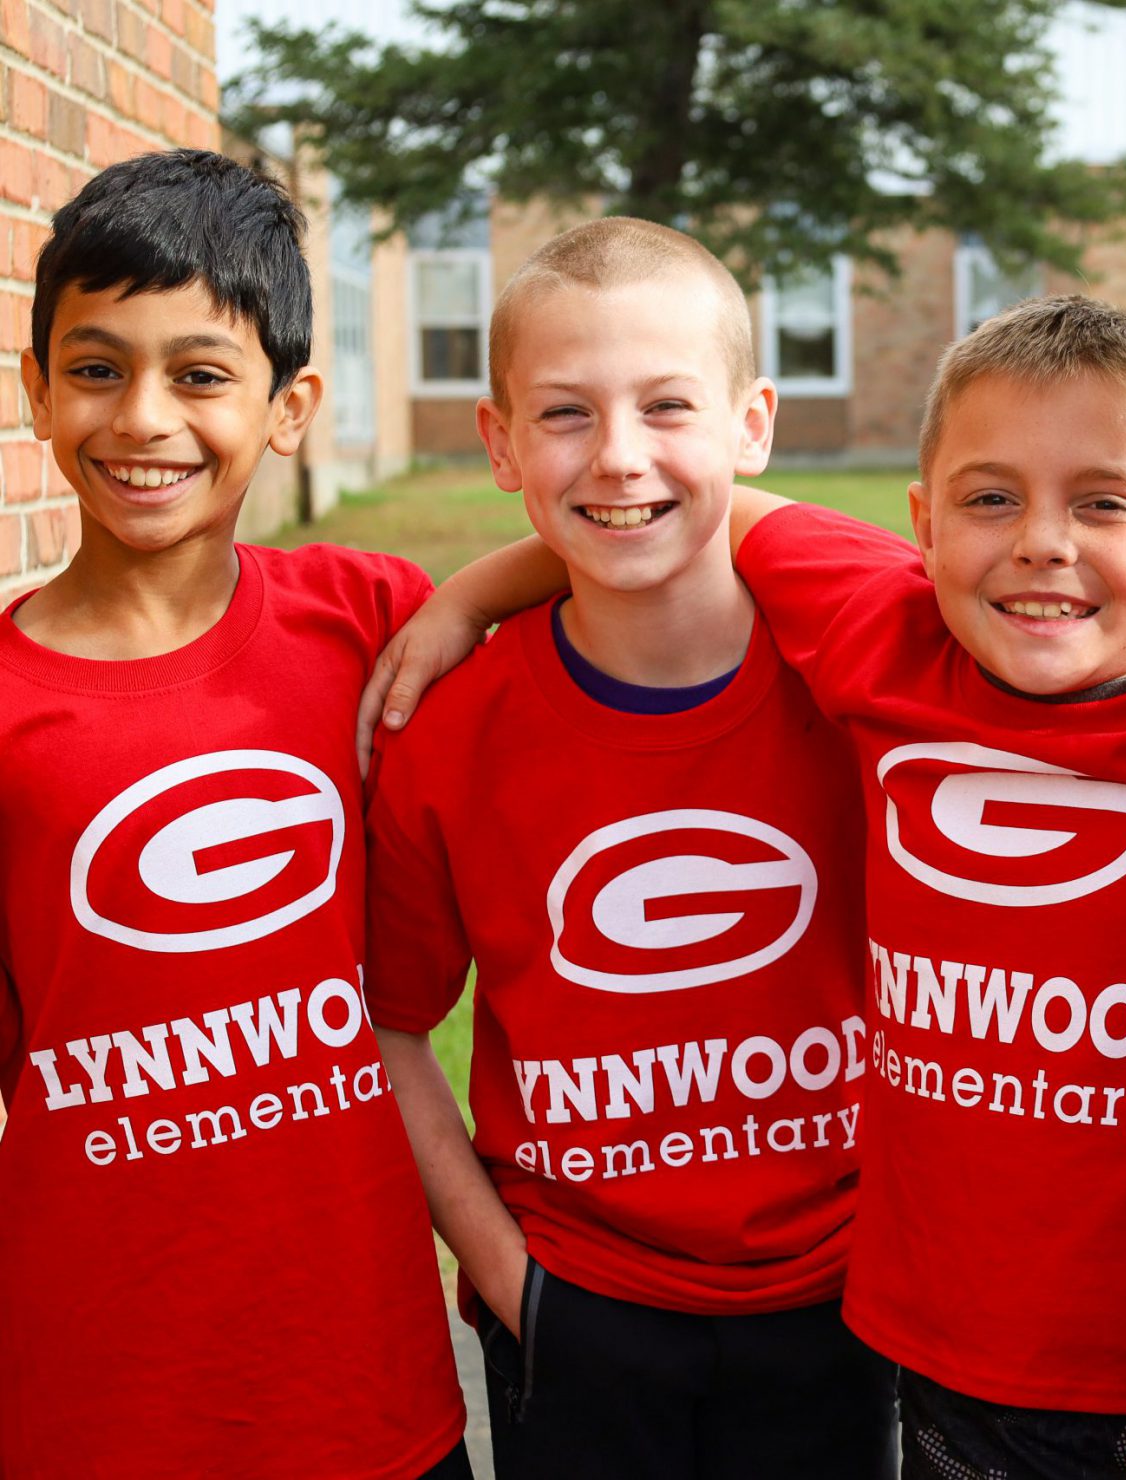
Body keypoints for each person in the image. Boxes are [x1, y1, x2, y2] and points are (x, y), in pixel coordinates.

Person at [383, 290, 1126, 1479]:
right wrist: (472, 596)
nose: (1042, 541)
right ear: (925, 528)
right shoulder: (882, 640)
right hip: (930, 1358)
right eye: (991, 498)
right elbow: (668, 504)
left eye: (1102, 501)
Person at [361, 217, 895, 1480]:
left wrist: (472, 585)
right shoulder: (452, 740)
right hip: (578, 1310)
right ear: (497, 441)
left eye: (668, 405)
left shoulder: (866, 672)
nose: (618, 456)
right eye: (564, 415)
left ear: (751, 423)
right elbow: (388, 1024)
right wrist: (510, 1277)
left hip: (848, 1298)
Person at [0, 149, 467, 1478]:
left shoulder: (371, 619)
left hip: (365, 1384)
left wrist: (488, 588)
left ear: (290, 406)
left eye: (200, 373)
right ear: (36, 391)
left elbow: (649, 559)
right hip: (95, 1396)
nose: (142, 417)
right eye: (96, 368)